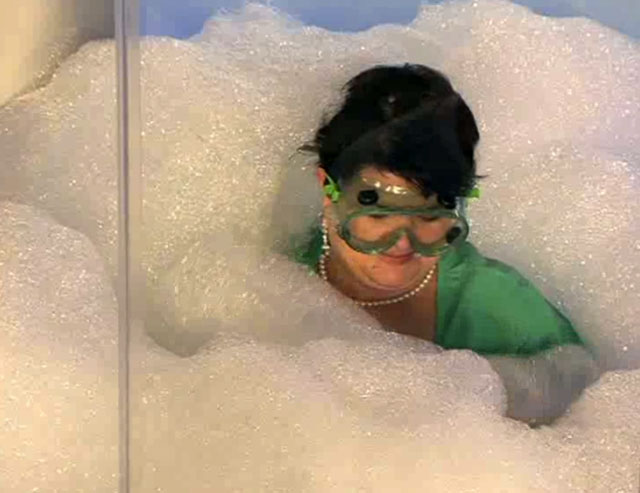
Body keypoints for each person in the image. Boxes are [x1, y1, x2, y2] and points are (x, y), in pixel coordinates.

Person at [293, 64, 600, 423]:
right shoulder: (279, 269)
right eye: (378, 216)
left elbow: (588, 390)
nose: (402, 243)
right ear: (327, 190)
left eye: (429, 217)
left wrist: (489, 389)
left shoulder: (493, 300)